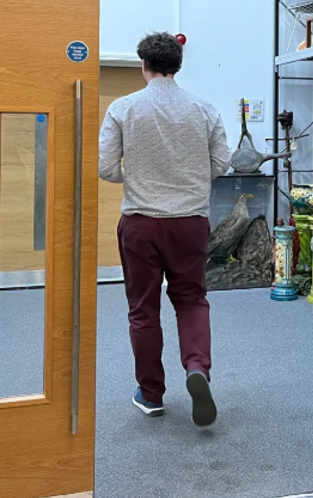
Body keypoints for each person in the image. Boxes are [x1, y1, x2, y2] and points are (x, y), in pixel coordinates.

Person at [99, 32, 231, 426]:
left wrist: (140, 178)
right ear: (178, 66)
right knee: (191, 300)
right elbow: (221, 163)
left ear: (144, 66)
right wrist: (187, 179)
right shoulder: (204, 109)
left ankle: (151, 394)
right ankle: (197, 369)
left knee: (143, 310)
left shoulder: (123, 108)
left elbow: (106, 168)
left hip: (141, 224)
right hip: (190, 223)